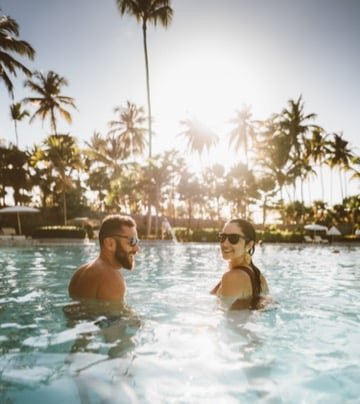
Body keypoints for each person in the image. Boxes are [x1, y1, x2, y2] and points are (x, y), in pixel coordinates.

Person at [68, 214, 140, 302]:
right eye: (132, 241)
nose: (137, 248)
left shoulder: (78, 274)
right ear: (110, 244)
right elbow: (116, 315)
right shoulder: (112, 279)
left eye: (137, 241)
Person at [210, 218, 269, 310]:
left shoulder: (232, 277)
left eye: (234, 239)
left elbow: (224, 318)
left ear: (249, 245)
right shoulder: (258, 275)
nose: (225, 243)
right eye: (223, 237)